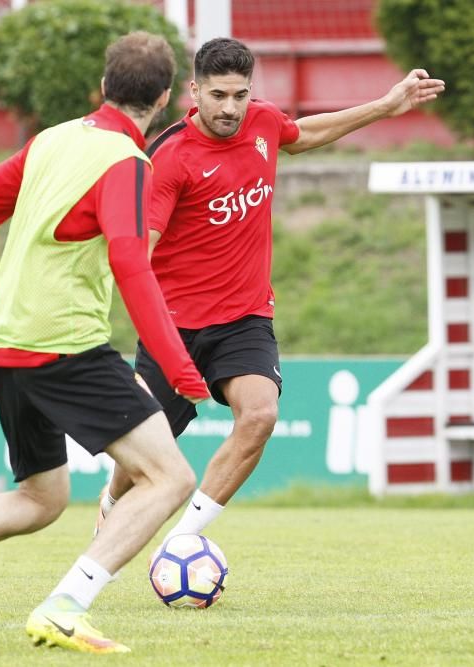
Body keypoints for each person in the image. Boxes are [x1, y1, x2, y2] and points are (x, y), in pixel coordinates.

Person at [0, 31, 209, 655]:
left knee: (43, 497)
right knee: (168, 478)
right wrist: (178, 366)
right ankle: (64, 607)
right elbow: (129, 262)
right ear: (166, 99)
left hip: (9, 345)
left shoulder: (52, 139)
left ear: (103, 87)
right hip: (65, 345)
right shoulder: (127, 160)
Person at [97, 37, 444, 540]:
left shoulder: (262, 121)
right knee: (147, 451)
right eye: (218, 95)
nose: (231, 107)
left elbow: (302, 134)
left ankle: (183, 542)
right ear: (194, 90)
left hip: (244, 318)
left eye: (240, 94)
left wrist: (386, 107)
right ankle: (111, 504)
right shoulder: (170, 158)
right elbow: (137, 256)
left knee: (259, 414)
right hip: (175, 327)